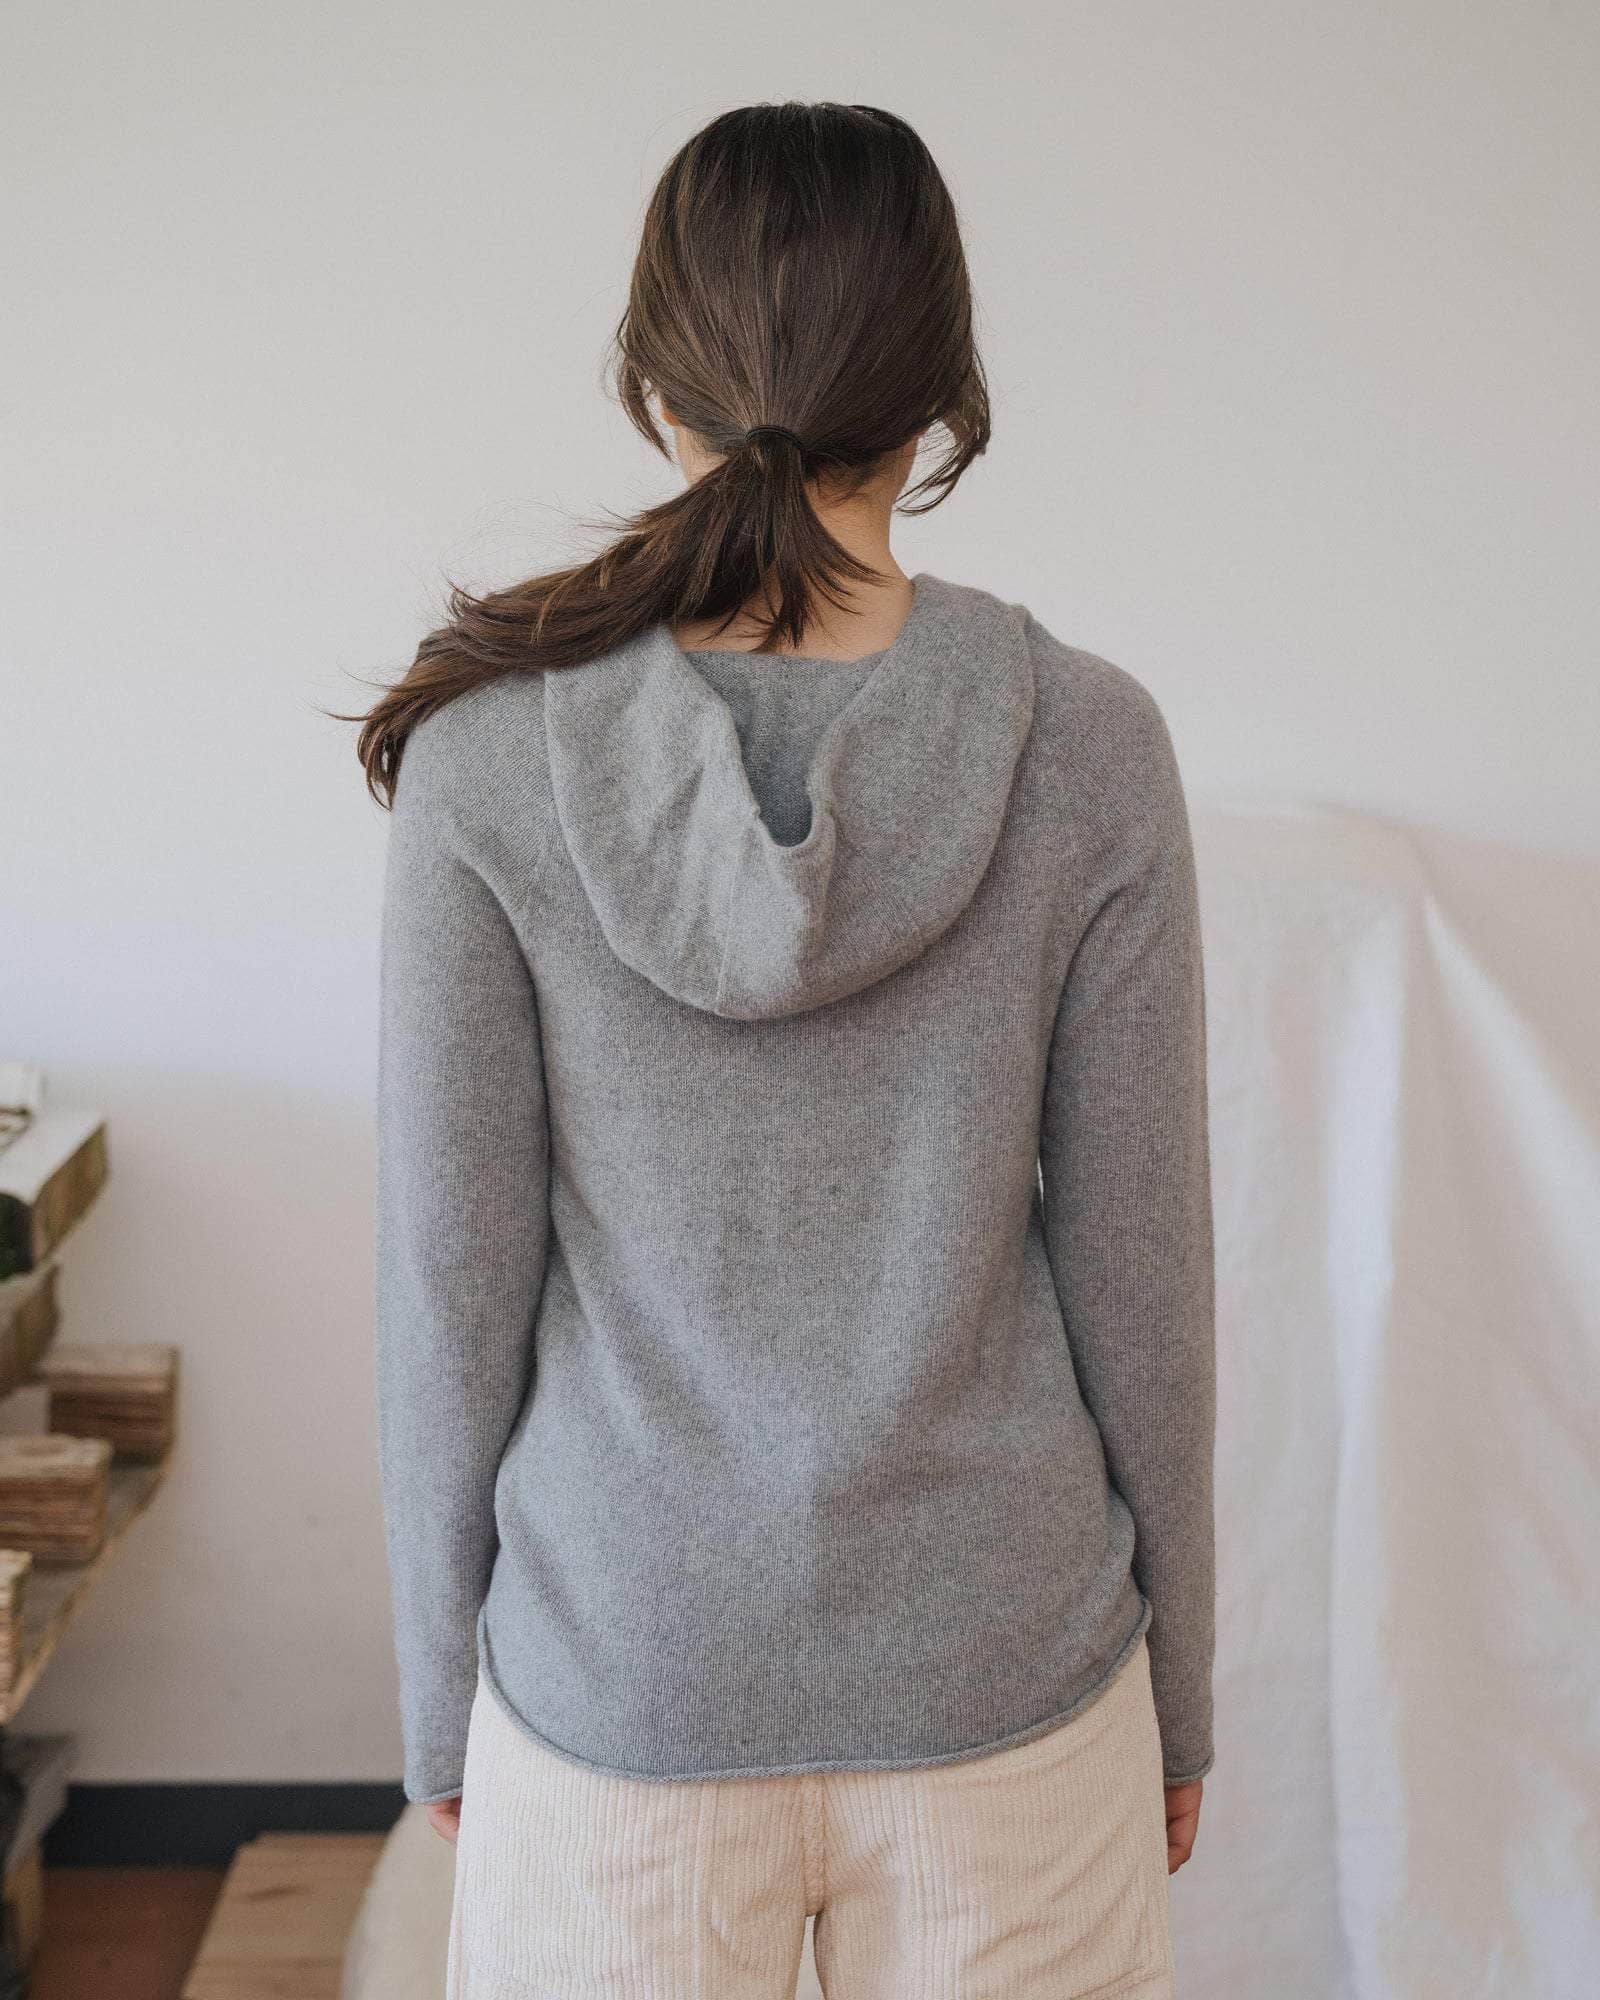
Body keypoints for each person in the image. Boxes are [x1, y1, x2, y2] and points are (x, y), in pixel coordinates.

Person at [349, 97, 1216, 2000]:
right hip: (1007, 1670)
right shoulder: (1090, 743)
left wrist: (438, 1706)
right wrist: (1187, 1692)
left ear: (655, 386)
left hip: (620, 1678)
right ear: (943, 398)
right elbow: (1144, 1270)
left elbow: (448, 1287)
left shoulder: (491, 762)